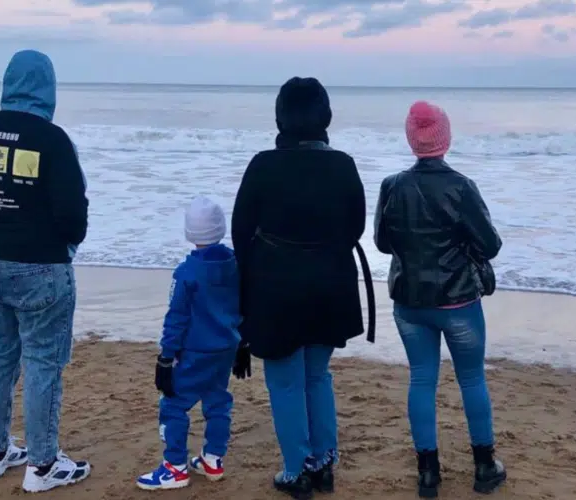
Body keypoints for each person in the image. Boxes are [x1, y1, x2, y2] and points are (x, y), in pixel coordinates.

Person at [0, 49, 91, 493]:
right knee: (43, 362)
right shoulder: (51, 138)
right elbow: (73, 211)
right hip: (42, 267)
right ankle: (43, 465)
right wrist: (60, 240)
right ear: (47, 88)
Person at [230, 76, 375, 499]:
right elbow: (355, 228)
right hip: (331, 284)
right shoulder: (344, 165)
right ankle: (324, 462)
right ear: (324, 116)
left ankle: (297, 470)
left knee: (286, 381)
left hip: (277, 288)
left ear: (280, 117)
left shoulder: (262, 165)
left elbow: (241, 236)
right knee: (317, 375)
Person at [373, 101, 506, 498]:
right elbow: (490, 244)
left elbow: (382, 242)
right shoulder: (461, 186)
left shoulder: (392, 186)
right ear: (444, 139)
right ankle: (484, 466)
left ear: (412, 140)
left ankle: (428, 473)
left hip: (410, 301)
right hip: (458, 301)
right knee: (471, 378)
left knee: (421, 379)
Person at [135, 196, 243, 491]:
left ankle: (175, 467)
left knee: (173, 405)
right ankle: (213, 458)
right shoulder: (236, 264)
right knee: (217, 400)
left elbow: (177, 319)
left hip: (194, 350)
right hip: (226, 347)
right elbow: (242, 305)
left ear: (189, 232)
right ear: (221, 228)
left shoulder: (187, 273)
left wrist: (166, 357)